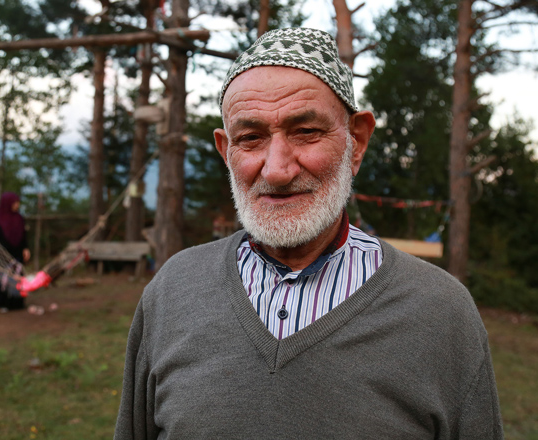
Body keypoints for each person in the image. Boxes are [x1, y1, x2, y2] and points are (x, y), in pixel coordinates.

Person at [115, 28, 503, 439]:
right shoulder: (173, 290)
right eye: (250, 139)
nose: (277, 169)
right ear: (226, 152)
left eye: (306, 132)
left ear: (356, 141)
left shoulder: (441, 313)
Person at [0, 192, 30, 311]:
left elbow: (23, 235)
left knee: (16, 277)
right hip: (1, 256)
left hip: (17, 254)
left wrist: (25, 248)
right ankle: (0, 304)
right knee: (1, 278)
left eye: (18, 202)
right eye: (15, 202)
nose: (17, 205)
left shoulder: (19, 218)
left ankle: (16, 304)